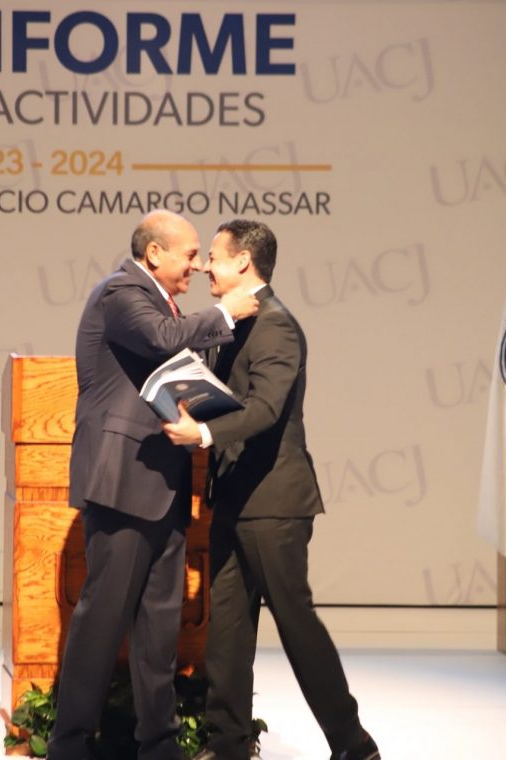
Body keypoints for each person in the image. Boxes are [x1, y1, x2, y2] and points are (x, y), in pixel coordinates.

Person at [163, 220, 380, 760]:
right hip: (234, 499)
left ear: (243, 262)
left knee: (295, 623)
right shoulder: (233, 323)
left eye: (214, 256)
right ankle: (228, 744)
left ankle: (354, 745)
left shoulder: (276, 325)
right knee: (228, 629)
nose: (205, 266)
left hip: (274, 504)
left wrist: (202, 434)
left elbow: (264, 409)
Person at [48, 210, 259, 760]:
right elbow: (161, 338)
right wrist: (225, 312)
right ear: (154, 253)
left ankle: (159, 746)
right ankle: (69, 746)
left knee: (159, 627)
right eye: (189, 255)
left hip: (163, 485)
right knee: (102, 620)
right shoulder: (121, 292)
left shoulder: (161, 301)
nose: (197, 266)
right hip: (122, 482)